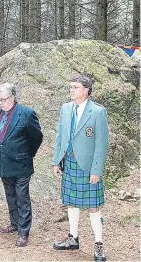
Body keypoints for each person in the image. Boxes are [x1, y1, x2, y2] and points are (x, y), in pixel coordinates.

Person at [52, 74, 108, 261]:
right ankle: (73, 238)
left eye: (75, 87)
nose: (71, 90)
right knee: (71, 203)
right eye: (70, 87)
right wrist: (56, 161)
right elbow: (60, 135)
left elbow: (101, 144)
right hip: (69, 162)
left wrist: (96, 170)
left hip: (88, 165)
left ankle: (99, 245)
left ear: (86, 90)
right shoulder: (66, 108)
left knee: (93, 207)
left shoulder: (98, 112)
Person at [0, 83, 43, 247]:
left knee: (22, 197)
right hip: (4, 164)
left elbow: (37, 137)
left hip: (22, 164)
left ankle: (23, 232)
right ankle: (14, 224)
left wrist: (29, 154)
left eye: (4, 99)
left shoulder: (27, 114)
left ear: (13, 97)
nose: (1, 103)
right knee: (10, 196)